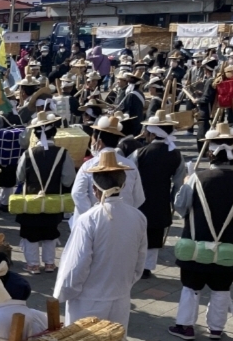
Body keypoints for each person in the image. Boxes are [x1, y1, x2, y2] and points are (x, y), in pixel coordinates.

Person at [170, 124, 233, 340]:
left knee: (191, 288)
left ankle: (185, 327)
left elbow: (181, 208)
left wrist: (185, 184)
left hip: (195, 246)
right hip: (228, 248)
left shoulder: (197, 178)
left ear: (211, 153)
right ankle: (216, 329)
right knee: (221, 289)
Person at [54, 150, 147, 328]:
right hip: (120, 297)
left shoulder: (88, 219)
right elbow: (139, 262)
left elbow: (75, 266)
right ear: (124, 184)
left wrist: (63, 294)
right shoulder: (138, 217)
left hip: (88, 301)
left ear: (94, 189)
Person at [15, 112, 75, 274]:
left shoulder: (28, 154)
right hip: (54, 200)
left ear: (35, 134)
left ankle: (33, 265)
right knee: (50, 231)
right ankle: (49, 263)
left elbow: (19, 177)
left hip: (31, 201)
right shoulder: (63, 153)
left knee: (30, 233)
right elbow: (68, 180)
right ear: (54, 133)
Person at [136, 111, 185, 278]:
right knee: (155, 234)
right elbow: (178, 183)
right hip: (161, 199)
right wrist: (175, 203)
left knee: (138, 233)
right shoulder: (177, 155)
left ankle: (136, 265)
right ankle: (147, 267)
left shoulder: (140, 153)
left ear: (151, 132)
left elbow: (129, 176)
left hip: (139, 199)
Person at [71, 115, 145, 221]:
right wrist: (125, 211)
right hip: (124, 221)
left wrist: (91, 216)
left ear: (99, 142)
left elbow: (77, 193)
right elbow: (139, 198)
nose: (91, 143)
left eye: (92, 139)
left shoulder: (89, 165)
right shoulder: (130, 165)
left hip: (94, 221)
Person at [115, 71, 145, 137]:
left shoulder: (131, 95)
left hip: (131, 122)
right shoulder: (141, 93)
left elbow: (125, 109)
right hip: (139, 120)